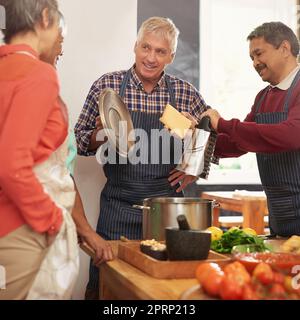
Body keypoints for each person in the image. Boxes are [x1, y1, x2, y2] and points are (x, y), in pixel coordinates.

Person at [74, 16, 209, 298]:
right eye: (146, 47)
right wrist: (103, 134)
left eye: (161, 51)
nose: (151, 57)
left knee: (164, 288)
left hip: (166, 211)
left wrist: (196, 162)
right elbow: (80, 139)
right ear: (135, 47)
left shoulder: (184, 94)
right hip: (117, 207)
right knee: (107, 284)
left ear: (171, 56)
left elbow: (212, 140)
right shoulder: (108, 86)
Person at [0, 0, 78, 300]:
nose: (60, 35)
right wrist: (51, 218)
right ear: (45, 17)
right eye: (59, 24)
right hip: (19, 228)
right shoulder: (37, 73)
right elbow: (10, 163)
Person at [201, 22, 300, 237]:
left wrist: (224, 124)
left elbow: (291, 135)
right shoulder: (263, 97)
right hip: (279, 212)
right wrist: (198, 138)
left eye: (259, 54)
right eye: (251, 58)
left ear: (284, 48)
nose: (255, 63)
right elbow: (238, 144)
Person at [40, 12, 114, 267]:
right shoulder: (30, 96)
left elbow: (64, 173)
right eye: (57, 52)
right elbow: (53, 175)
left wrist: (81, 229)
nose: (56, 62)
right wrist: (87, 231)